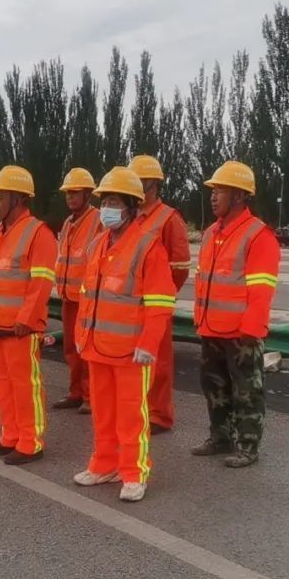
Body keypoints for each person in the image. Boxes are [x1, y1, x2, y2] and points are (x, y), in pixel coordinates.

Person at [71, 167, 175, 502]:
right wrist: (81, 334)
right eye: (104, 202)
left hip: (131, 352)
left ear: (131, 206)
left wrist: (148, 343)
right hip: (97, 346)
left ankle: (134, 472)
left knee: (131, 415)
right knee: (103, 413)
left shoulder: (148, 247)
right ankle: (104, 465)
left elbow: (160, 303)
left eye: (114, 202)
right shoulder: (98, 244)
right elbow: (88, 295)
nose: (106, 209)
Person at [191, 160, 281, 468]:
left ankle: (247, 446)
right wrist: (201, 320)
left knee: (246, 391)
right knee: (214, 386)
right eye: (213, 190)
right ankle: (220, 437)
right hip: (211, 327)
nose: (213, 196)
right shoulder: (210, 233)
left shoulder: (258, 235)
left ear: (239, 196)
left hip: (242, 332)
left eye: (220, 190)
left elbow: (261, 290)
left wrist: (251, 330)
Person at [0, 165, 56, 465]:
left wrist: (26, 318)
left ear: (18, 199)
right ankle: (10, 436)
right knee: (4, 385)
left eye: (0, 197)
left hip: (21, 328)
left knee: (24, 386)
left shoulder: (38, 233)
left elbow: (41, 282)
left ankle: (31, 442)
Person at [128, 155, 191, 434]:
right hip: (128, 304)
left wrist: (160, 296)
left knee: (159, 361)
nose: (135, 186)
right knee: (132, 362)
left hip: (154, 303)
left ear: (153, 183)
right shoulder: (130, 216)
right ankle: (138, 410)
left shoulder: (168, 218)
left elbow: (180, 267)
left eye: (140, 180)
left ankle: (159, 415)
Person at [51, 167, 101, 415]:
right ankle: (76, 392)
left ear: (88, 194)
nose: (70, 197)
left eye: (75, 193)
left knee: (87, 349)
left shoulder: (98, 221)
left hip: (88, 299)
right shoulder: (69, 222)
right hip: (69, 296)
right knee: (71, 348)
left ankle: (91, 396)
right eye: (68, 193)